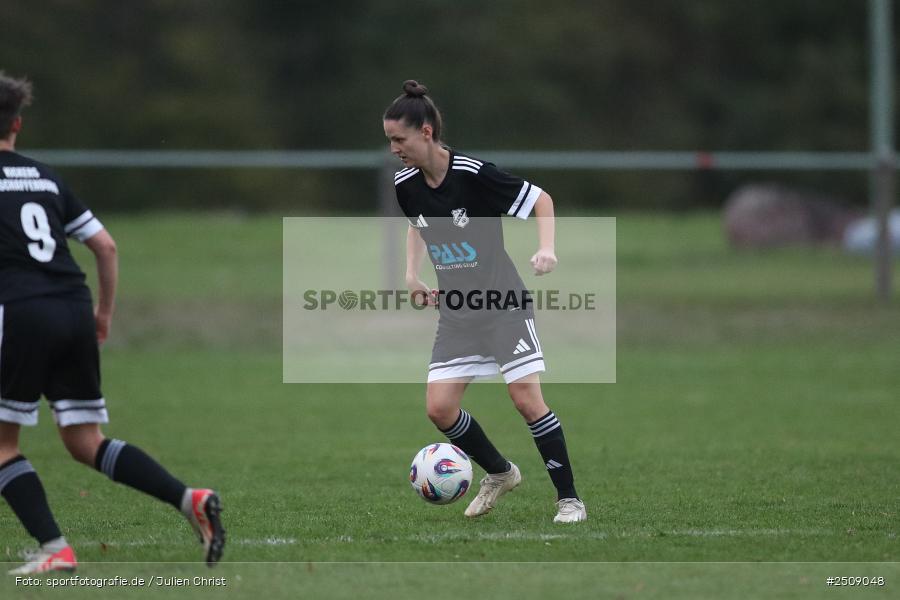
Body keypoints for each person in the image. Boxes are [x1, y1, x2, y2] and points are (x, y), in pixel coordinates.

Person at [0, 72, 225, 574]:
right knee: (85, 440)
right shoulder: (47, 177)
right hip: (73, 307)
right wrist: (102, 312)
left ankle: (54, 548)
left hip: (19, 312)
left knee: (2, 444)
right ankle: (190, 500)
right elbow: (105, 245)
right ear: (18, 122)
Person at [383, 80, 586, 523]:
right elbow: (418, 224)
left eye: (399, 139)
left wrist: (547, 248)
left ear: (426, 133)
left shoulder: (473, 175)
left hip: (503, 305)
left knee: (526, 399)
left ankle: (569, 499)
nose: (394, 148)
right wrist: (411, 274)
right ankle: (499, 472)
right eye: (389, 140)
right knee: (439, 409)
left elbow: (542, 200)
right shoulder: (405, 184)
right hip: (457, 312)